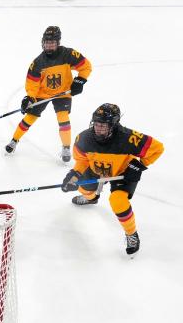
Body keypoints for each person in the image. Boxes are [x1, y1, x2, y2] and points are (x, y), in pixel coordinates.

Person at [61, 103, 164, 256]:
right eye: (96, 124)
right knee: (84, 189)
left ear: (114, 125)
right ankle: (91, 198)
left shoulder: (129, 138)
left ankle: (131, 233)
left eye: (103, 125)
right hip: (97, 170)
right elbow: (82, 160)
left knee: (117, 201)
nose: (98, 128)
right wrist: (74, 175)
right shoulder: (83, 138)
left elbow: (157, 148)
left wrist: (137, 166)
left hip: (123, 172)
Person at [5, 26, 91, 163]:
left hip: (63, 92)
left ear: (58, 43)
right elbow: (32, 85)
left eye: (52, 43)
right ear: (42, 42)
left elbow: (86, 66)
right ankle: (14, 140)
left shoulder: (68, 54)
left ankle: (66, 147)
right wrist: (29, 98)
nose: (49, 45)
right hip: (43, 93)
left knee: (63, 117)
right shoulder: (38, 63)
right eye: (47, 42)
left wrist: (80, 80)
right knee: (30, 117)